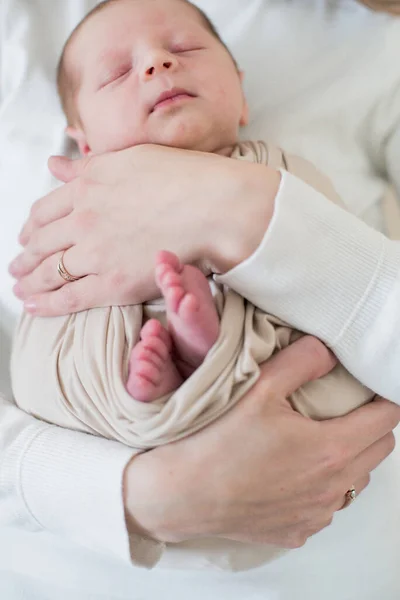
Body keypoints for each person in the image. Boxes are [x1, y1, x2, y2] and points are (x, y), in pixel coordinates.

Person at [2, 0, 400, 598]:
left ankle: (199, 354)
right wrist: (141, 493)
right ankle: (174, 370)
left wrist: (239, 211)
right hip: (55, 560)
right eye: (116, 74)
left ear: (241, 99)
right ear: (80, 141)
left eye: (184, 51)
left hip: (324, 554)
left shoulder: (369, 54)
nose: (159, 63)